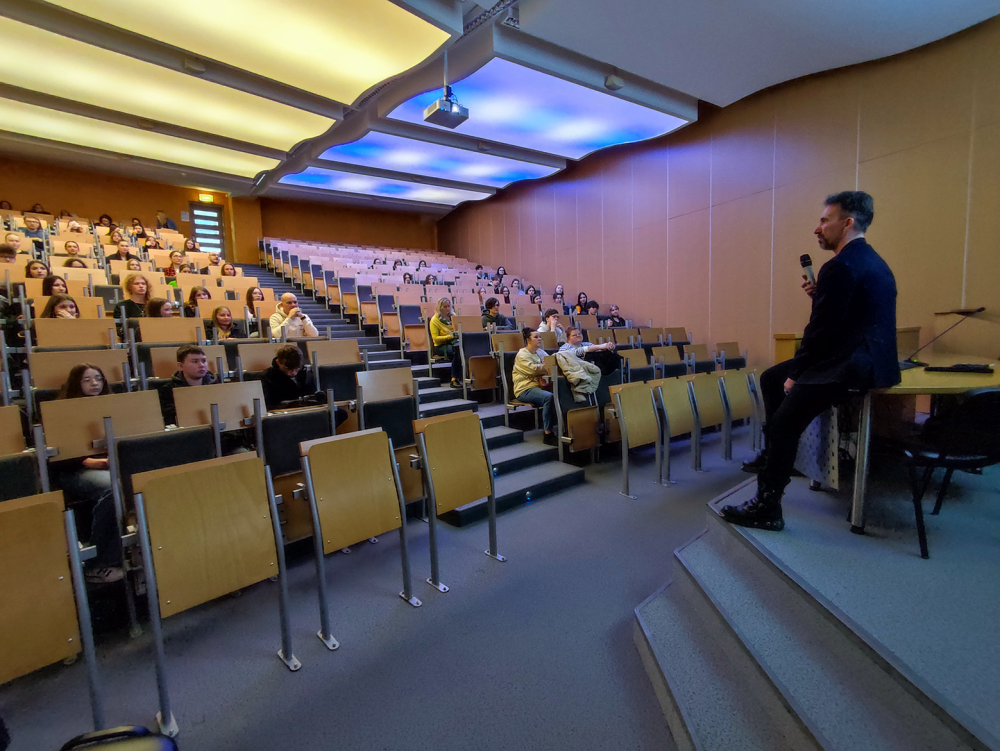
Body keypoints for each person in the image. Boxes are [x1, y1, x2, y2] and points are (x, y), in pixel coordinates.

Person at [722, 191, 900, 532]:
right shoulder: (872, 261)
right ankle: (774, 454)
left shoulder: (840, 265)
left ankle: (767, 505)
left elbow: (821, 331)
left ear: (847, 223)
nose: (818, 228)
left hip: (849, 365)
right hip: (868, 360)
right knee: (771, 378)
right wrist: (820, 297)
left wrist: (798, 373)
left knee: (784, 422)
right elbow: (846, 317)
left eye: (824, 220)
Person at [51, 364, 122, 583]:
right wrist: (92, 462)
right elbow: (60, 457)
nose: (94, 383)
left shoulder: (114, 405)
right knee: (114, 489)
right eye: (87, 379)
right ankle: (98, 562)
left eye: (99, 378)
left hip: (113, 464)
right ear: (76, 384)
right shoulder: (60, 411)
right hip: (76, 470)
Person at [513, 328, 557, 445]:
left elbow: (552, 363)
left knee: (562, 391)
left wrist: (547, 365)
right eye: (536, 337)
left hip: (541, 386)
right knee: (548, 397)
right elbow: (533, 370)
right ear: (528, 340)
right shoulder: (522, 354)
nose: (539, 339)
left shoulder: (541, 352)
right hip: (525, 389)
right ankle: (548, 434)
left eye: (540, 337)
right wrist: (546, 366)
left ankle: (564, 427)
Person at [159, 345, 217, 425]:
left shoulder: (216, 386)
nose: (201, 365)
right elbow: (170, 420)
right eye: (195, 361)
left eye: (204, 361)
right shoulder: (167, 391)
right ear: (180, 366)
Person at [556, 327, 606, 402]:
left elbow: (597, 349)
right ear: (568, 338)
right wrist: (597, 347)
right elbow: (576, 352)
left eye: (579, 333)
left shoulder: (586, 344)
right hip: (578, 370)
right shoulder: (564, 348)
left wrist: (607, 346)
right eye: (574, 335)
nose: (578, 335)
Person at [429, 297, 463, 389]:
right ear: (440, 308)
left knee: (462, 348)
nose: (448, 308)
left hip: (454, 342)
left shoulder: (453, 317)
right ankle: (454, 379)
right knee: (457, 351)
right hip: (441, 346)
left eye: (449, 306)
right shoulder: (434, 320)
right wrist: (451, 336)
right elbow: (436, 339)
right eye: (445, 307)